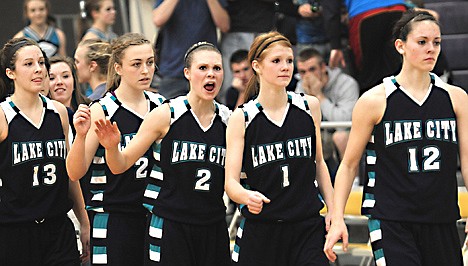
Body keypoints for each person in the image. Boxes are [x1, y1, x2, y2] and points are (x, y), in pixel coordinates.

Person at [323, 10, 468, 265]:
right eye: (422, 42)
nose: (431, 49)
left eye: (436, 42)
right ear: (400, 46)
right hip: (392, 219)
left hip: (442, 217)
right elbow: (348, 165)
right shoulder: (374, 100)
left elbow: (467, 159)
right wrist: (337, 219)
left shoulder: (455, 98)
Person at [93, 42, 231, 265]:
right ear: (187, 73)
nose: (211, 75)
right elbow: (120, 165)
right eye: (203, 68)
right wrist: (111, 147)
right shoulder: (166, 114)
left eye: (217, 68)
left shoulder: (229, 120)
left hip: (213, 223)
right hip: (171, 224)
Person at [224, 31, 334, 265]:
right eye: (276, 61)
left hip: (307, 227)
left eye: (289, 61)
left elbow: (319, 164)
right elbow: (230, 183)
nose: (285, 67)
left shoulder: (309, 106)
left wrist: (334, 213)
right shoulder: (242, 118)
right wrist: (245, 195)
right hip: (263, 229)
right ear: (257, 66)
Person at [66, 33, 166, 265]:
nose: (145, 70)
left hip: (154, 215)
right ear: (118, 67)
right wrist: (80, 137)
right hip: (114, 216)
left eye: (150, 62)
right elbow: (74, 172)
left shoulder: (161, 106)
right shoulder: (103, 110)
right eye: (136, 64)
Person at [0, 37, 89, 265]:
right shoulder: (3, 116)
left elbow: (69, 175)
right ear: (11, 73)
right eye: (28, 64)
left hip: (58, 228)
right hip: (15, 231)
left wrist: (84, 222)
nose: (38, 69)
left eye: (41, 62)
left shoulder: (59, 112)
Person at [295, 47, 358, 178]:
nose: (308, 76)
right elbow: (298, 122)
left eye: (312, 69)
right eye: (302, 72)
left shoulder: (346, 83)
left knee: (341, 137)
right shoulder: (301, 86)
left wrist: (319, 96)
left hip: (341, 135)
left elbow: (344, 122)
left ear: (323, 67)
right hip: (318, 135)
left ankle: (354, 183)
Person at [152, 0, 230, 99]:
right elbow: (158, 19)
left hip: (205, 70)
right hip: (173, 70)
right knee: (170, 112)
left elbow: (224, 25)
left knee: (205, 112)